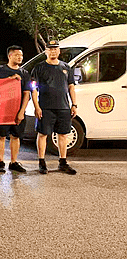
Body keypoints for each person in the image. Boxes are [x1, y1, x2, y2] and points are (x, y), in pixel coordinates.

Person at [31, 40, 78, 175]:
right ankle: (41, 162)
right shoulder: (39, 68)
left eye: (55, 49)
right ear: (46, 51)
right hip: (45, 107)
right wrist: (37, 107)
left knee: (63, 134)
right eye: (50, 49)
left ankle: (63, 162)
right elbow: (33, 88)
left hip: (63, 107)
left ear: (59, 51)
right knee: (43, 134)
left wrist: (74, 104)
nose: (53, 51)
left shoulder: (66, 67)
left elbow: (71, 87)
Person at [0, 45, 31, 173]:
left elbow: (27, 94)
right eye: (17, 55)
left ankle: (14, 162)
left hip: (17, 111)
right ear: (10, 56)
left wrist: (22, 111)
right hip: (2, 110)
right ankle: (1, 162)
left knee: (16, 136)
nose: (20, 57)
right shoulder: (0, 71)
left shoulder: (24, 73)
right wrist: (9, 80)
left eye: (21, 55)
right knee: (1, 136)